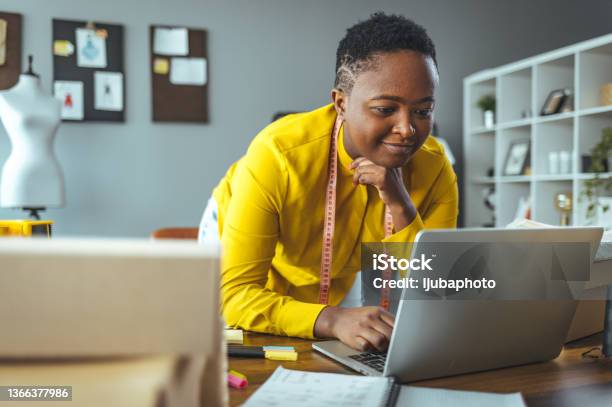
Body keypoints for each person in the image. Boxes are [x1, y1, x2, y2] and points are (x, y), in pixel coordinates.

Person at [200, 12, 458, 352]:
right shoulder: (278, 154)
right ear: (341, 103)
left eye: (423, 111)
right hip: (232, 233)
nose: (407, 129)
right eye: (385, 109)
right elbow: (235, 296)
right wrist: (333, 319)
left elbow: (437, 292)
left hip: (329, 272)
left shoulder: (435, 166)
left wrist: (400, 204)